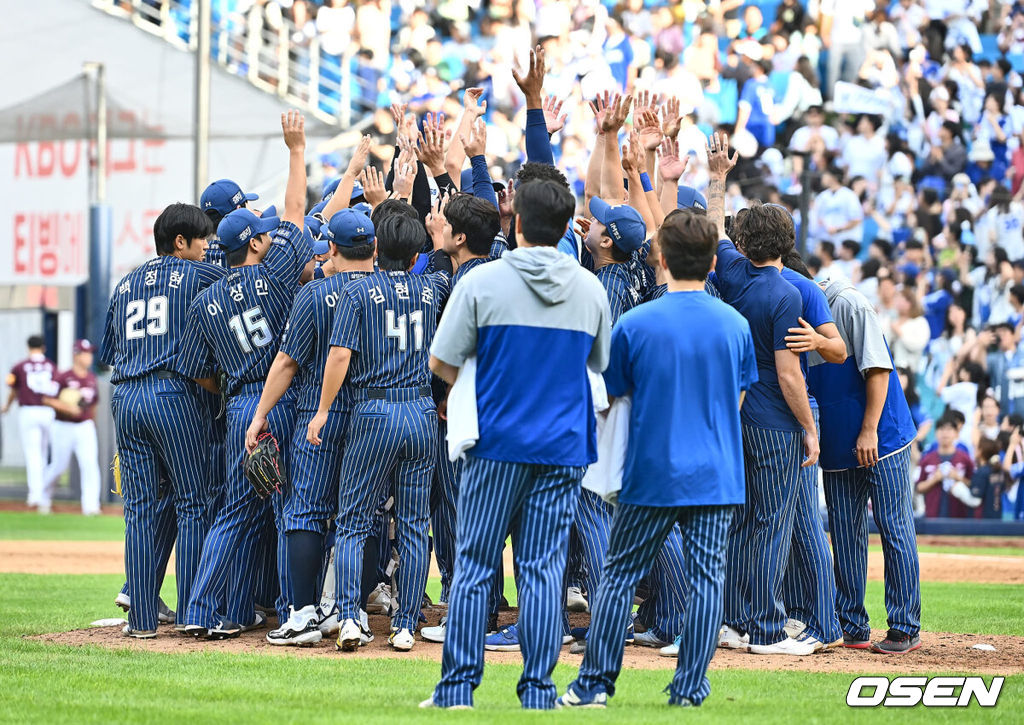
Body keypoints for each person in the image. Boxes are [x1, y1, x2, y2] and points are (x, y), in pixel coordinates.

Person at [423, 179, 611, 710]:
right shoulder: (590, 288)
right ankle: (538, 690)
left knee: (476, 564)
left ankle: (457, 688)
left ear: (518, 225)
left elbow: (441, 362)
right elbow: (601, 368)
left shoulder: (482, 284)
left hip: (497, 441)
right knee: (544, 569)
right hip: (563, 446)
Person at [558, 212, 756, 709]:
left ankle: (594, 685)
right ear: (713, 263)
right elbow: (736, 400)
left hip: (652, 469)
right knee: (708, 579)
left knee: (620, 576)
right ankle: (689, 688)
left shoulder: (636, 322)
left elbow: (611, 396)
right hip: (717, 470)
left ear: (661, 259)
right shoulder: (734, 323)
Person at [177, 111, 312, 640]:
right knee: (285, 507)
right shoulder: (276, 270)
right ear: (253, 244)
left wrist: (233, 393)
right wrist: (296, 151)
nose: (268, 235)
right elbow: (297, 213)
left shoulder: (206, 297)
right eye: (261, 232)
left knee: (234, 511)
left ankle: (199, 608)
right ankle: (286, 610)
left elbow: (199, 374)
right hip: (277, 400)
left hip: (237, 405)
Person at [308, 212, 450, 653]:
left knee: (353, 521)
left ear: (373, 250)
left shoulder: (357, 291)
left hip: (373, 410)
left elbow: (338, 357)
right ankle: (406, 624)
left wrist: (323, 409)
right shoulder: (433, 289)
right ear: (414, 256)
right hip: (420, 411)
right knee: (412, 523)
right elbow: (444, 266)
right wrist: (438, 237)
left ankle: (351, 618)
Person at [705, 134, 821, 655]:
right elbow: (790, 374)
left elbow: (712, 230)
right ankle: (768, 630)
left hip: (735, 417)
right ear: (787, 242)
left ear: (745, 242)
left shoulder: (730, 272)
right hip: (775, 420)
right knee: (769, 529)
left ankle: (732, 622)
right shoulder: (787, 291)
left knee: (736, 524)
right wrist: (810, 428)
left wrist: (717, 178)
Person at [247, 206, 377, 647]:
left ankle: (303, 614)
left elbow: (287, 361)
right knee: (362, 516)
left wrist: (261, 413)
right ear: (374, 247)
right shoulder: (389, 291)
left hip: (317, 418)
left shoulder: (315, 294)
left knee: (305, 511)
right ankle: (350, 608)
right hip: (371, 416)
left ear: (333, 249)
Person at [99, 202, 226, 638]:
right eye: (203, 239)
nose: (209, 247)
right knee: (192, 502)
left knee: (138, 511)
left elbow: (107, 355)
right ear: (180, 242)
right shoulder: (203, 275)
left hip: (125, 396)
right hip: (173, 394)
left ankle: (141, 621)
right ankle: (193, 613)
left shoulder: (125, 283)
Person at [806, 277, 922, 654]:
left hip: (882, 436)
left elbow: (878, 369)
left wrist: (869, 429)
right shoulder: (786, 309)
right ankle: (852, 624)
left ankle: (905, 627)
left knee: (894, 525)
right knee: (844, 533)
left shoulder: (847, 303)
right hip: (837, 442)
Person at [41, 339, 101, 516]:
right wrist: (68, 408)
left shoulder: (91, 378)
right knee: (59, 466)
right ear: (76, 355)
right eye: (85, 353)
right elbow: (46, 399)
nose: (89, 356)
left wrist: (92, 422)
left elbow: (94, 404)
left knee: (90, 465)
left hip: (84, 426)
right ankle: (43, 498)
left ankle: (91, 506)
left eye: (90, 352)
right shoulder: (63, 376)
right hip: (63, 426)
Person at [4, 335, 57, 513]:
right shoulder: (51, 365)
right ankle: (44, 495)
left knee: (33, 455)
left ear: (28, 347)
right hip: (48, 411)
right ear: (43, 347)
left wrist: (6, 406)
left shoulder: (20, 366)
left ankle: (35, 495)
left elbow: (13, 387)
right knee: (47, 455)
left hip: (28, 411)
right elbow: (57, 388)